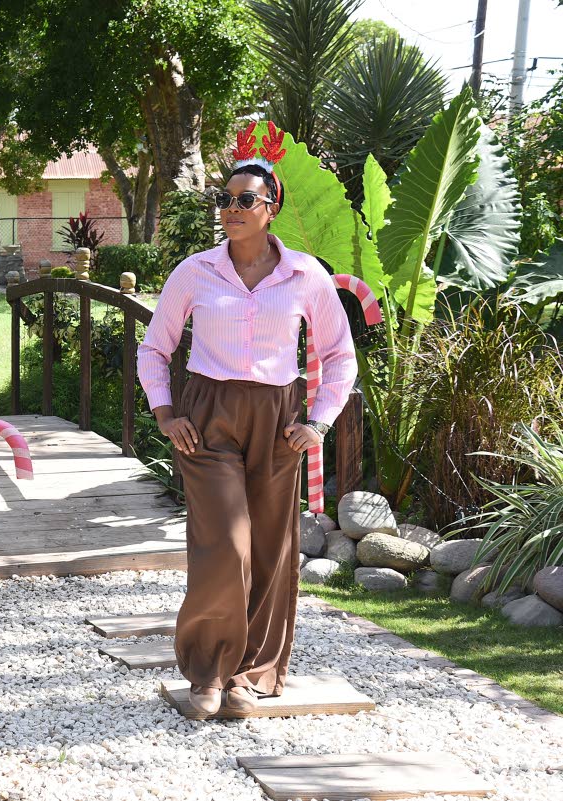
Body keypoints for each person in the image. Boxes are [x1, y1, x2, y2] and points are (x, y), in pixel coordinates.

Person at [136, 122, 358, 716]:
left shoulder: (306, 274)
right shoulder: (195, 272)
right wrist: (164, 411)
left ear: (271, 206)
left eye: (244, 201)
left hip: (280, 416)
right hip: (208, 414)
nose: (231, 210)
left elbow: (338, 355)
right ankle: (207, 670)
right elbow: (154, 348)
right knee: (223, 544)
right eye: (224, 201)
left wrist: (320, 421)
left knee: (269, 549)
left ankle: (252, 673)